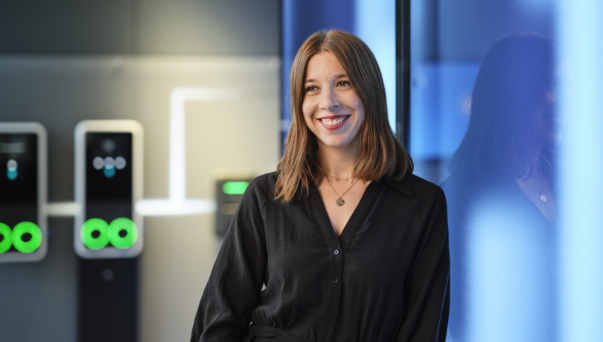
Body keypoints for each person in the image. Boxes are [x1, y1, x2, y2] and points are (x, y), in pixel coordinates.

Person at [190, 30, 450, 342]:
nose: (327, 102)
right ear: (300, 103)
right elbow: (219, 316)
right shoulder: (265, 197)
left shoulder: (421, 204)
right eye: (311, 89)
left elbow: (423, 327)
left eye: (343, 83)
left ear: (370, 90)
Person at [441, 33, 558, 342]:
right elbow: (465, 322)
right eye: (554, 84)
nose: (567, 99)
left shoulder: (577, 185)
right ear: (513, 93)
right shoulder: (458, 200)